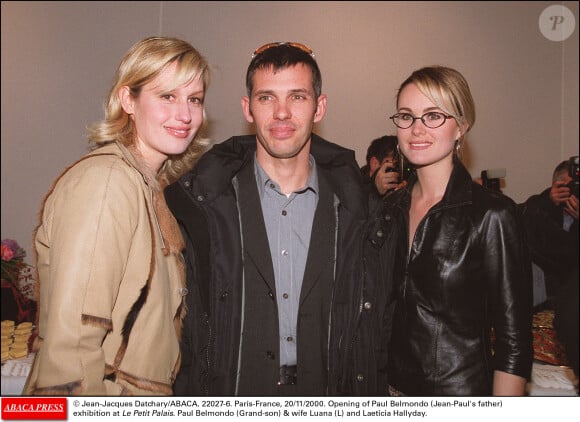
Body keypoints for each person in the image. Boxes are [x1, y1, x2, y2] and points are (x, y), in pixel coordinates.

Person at [165, 42, 388, 396]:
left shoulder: (357, 212)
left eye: (297, 97)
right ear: (248, 108)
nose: (281, 113)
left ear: (320, 107)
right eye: (267, 98)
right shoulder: (204, 206)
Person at [23, 36, 211, 395]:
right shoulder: (108, 182)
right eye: (167, 96)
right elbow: (72, 351)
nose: (185, 115)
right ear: (128, 99)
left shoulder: (148, 186)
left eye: (195, 99)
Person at [381, 65, 533, 396]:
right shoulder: (388, 211)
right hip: (387, 393)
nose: (416, 129)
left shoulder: (492, 214)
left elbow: (514, 343)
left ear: (461, 126)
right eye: (406, 116)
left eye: (433, 116)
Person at [519, 159, 579, 303]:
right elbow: (526, 231)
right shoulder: (538, 206)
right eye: (572, 186)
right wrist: (548, 201)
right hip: (547, 288)